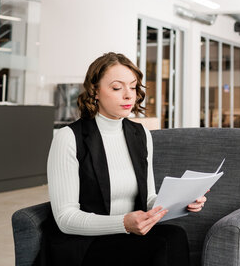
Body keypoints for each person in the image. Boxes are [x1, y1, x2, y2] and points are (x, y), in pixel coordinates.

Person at [46, 52, 206, 266]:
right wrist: (123, 224)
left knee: (174, 235)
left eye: (133, 87)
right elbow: (66, 219)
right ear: (95, 91)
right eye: (116, 87)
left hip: (128, 236)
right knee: (164, 243)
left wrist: (182, 201)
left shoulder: (141, 134)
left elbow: (149, 198)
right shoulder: (69, 138)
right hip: (85, 243)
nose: (129, 95)